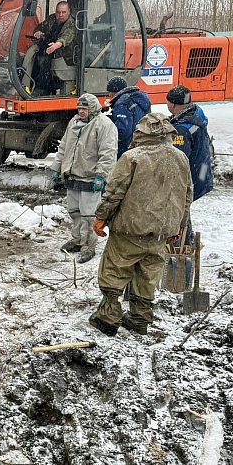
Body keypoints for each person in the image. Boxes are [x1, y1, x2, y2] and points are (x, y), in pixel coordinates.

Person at [89, 112, 192, 336]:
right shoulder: (180, 158)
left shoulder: (132, 157)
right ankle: (139, 319)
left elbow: (115, 191)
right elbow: (186, 195)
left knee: (115, 270)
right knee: (148, 275)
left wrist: (101, 217)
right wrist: (179, 225)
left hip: (131, 227)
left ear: (140, 133)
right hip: (161, 231)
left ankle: (107, 318)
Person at [48, 93, 118, 264]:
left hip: (90, 177)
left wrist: (102, 175)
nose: (81, 111)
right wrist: (57, 167)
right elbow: (64, 147)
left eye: (84, 108)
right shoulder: (73, 123)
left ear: (92, 109)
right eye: (79, 108)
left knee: (89, 215)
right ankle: (78, 240)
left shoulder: (104, 125)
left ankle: (89, 246)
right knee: (74, 211)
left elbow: (108, 153)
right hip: (73, 175)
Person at [167, 85, 213, 201]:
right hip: (202, 172)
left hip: (192, 180)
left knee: (181, 209)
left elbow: (177, 161)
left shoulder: (182, 129)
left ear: (173, 104)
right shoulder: (196, 115)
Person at [21, 1, 76, 96]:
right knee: (32, 52)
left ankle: (43, 89)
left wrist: (56, 45)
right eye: (58, 12)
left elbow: (66, 37)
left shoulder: (72, 23)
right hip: (49, 48)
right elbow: (40, 27)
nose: (61, 15)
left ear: (69, 12)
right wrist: (38, 32)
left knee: (44, 60)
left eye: (63, 12)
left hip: (65, 54)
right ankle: (26, 84)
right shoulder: (52, 19)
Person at [106, 76, 152, 158]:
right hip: (141, 144)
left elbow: (122, 130)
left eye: (110, 92)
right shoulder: (140, 100)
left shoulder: (122, 103)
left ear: (115, 91)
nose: (109, 95)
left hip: (127, 148)